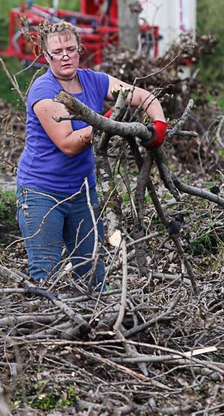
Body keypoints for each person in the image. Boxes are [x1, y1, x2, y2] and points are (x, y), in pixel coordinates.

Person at [16, 21, 167, 289]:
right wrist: (104, 122)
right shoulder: (44, 91)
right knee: (45, 277)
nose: (65, 56)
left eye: (70, 49)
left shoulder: (94, 81)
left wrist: (159, 124)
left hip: (83, 192)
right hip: (41, 193)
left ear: (80, 50)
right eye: (57, 52)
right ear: (47, 56)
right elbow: (68, 144)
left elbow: (144, 97)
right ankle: (50, 314)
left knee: (93, 277)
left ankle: (92, 315)